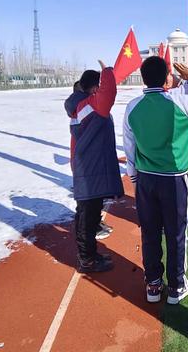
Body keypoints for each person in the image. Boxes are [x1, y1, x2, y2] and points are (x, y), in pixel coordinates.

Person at [123, 57, 188, 304]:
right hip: (174, 179)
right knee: (175, 233)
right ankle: (176, 286)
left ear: (143, 78)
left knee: (150, 232)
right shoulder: (179, 101)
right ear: (168, 77)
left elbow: (129, 147)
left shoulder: (132, 106)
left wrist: (134, 178)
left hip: (146, 179)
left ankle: (153, 285)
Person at [64, 61, 123, 273]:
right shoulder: (89, 104)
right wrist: (108, 71)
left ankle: (89, 254)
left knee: (88, 214)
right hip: (90, 169)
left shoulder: (83, 105)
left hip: (89, 166)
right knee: (88, 217)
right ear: (94, 88)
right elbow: (109, 94)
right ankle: (86, 259)